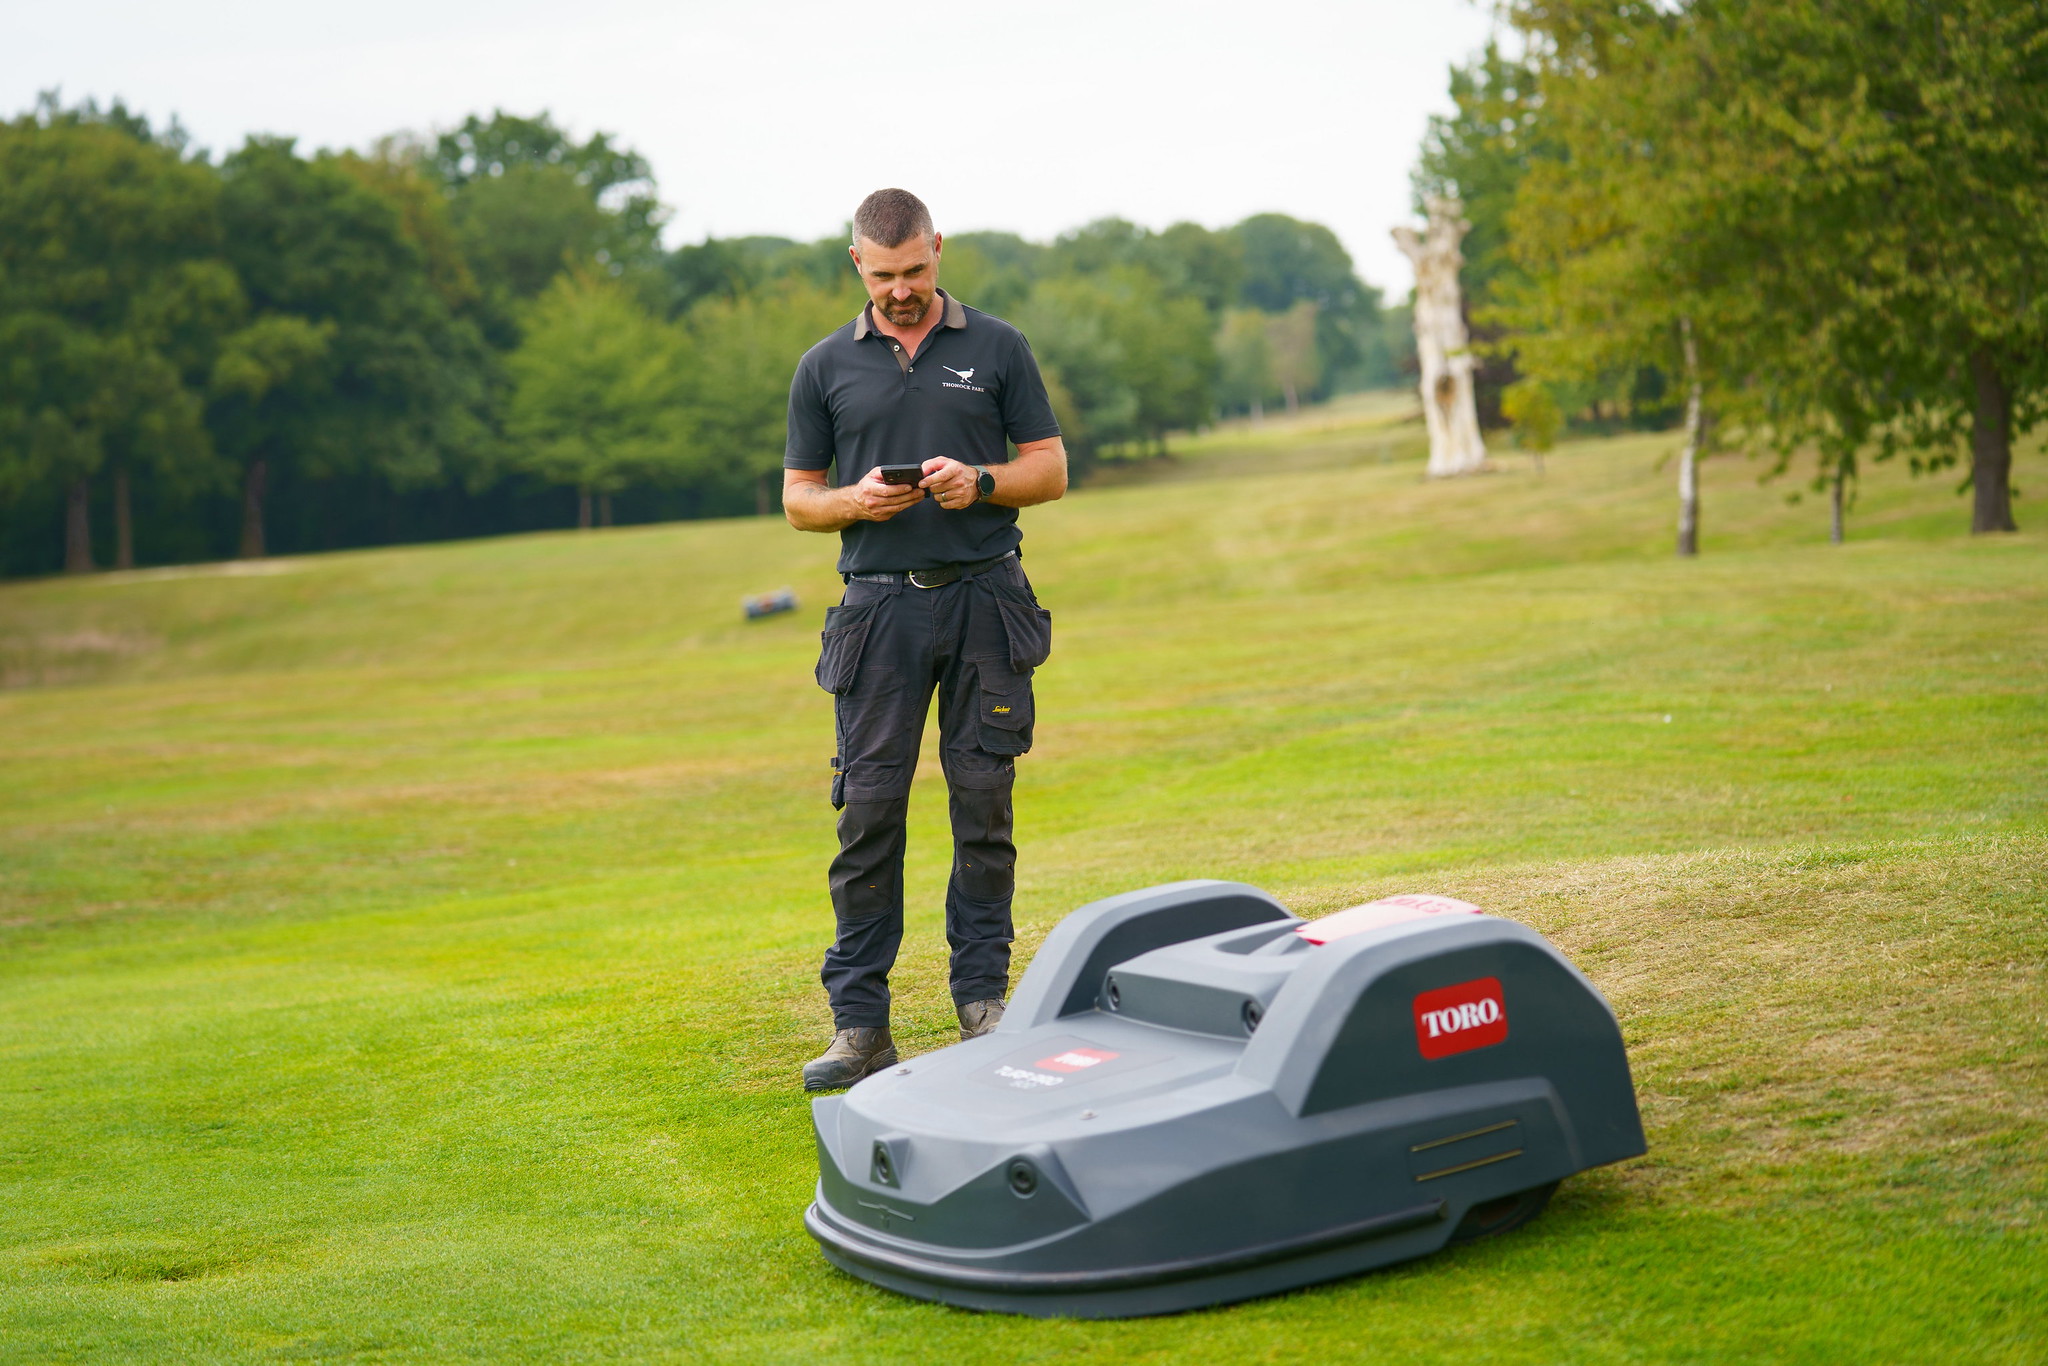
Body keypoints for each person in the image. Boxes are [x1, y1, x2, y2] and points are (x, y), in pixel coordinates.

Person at [783, 188, 1067, 1092]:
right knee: (869, 810)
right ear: (855, 265)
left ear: (938, 250)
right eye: (883, 274)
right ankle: (860, 1024)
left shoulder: (999, 347)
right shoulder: (824, 366)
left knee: (983, 803)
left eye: (915, 271)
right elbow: (799, 498)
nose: (901, 290)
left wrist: (979, 482)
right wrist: (852, 502)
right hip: (876, 611)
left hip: (988, 597)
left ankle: (984, 1002)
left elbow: (1050, 469)